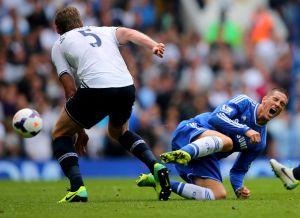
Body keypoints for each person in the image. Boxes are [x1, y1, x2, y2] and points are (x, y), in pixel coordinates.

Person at [51, 6, 171, 203]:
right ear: (81, 22)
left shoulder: (59, 44)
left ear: (57, 29)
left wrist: (78, 130)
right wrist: (152, 45)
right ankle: (155, 166)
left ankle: (77, 188)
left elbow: (70, 90)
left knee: (60, 133)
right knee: (119, 132)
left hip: (97, 88)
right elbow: (129, 33)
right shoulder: (103, 30)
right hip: (126, 86)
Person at [137, 88, 288, 200]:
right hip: (192, 131)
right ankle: (184, 153)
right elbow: (216, 117)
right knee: (228, 142)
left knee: (218, 195)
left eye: (282, 104)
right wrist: (245, 130)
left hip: (206, 156)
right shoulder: (244, 102)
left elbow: (238, 171)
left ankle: (162, 181)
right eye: (275, 99)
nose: (278, 104)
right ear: (264, 99)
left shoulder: (259, 142)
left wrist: (239, 188)